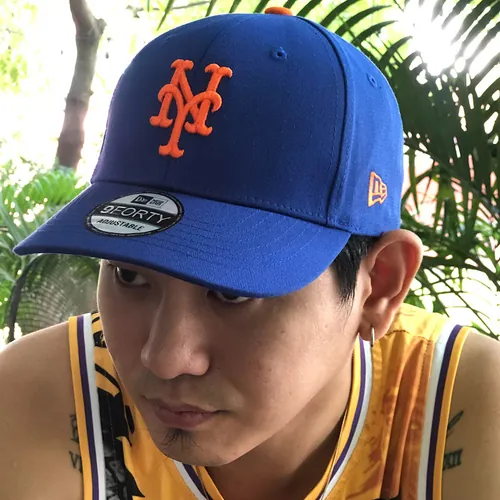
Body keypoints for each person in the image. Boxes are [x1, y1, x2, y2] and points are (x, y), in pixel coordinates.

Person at [0, 6, 499, 500]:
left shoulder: (463, 413)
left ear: (379, 286)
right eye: (129, 276)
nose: (165, 358)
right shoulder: (38, 399)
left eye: (232, 293)